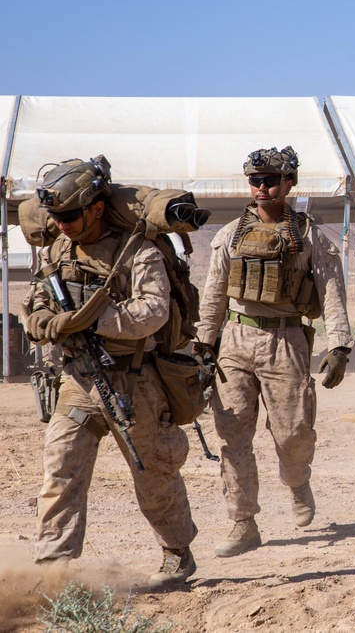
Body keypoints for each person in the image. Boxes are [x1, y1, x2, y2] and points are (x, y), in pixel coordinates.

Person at [22, 157, 197, 586]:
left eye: (70, 216)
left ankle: (177, 552)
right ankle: (53, 569)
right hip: (78, 381)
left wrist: (90, 321)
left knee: (153, 472)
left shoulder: (137, 250)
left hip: (134, 381)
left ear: (97, 208)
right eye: (55, 217)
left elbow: (154, 311)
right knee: (61, 470)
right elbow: (39, 296)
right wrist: (44, 320)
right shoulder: (59, 248)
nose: (61, 225)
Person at [194, 146, 352, 558]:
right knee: (233, 437)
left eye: (270, 180)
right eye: (255, 181)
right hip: (235, 341)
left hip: (286, 341)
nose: (262, 188)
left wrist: (339, 345)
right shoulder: (229, 235)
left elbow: (331, 291)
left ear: (289, 183)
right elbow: (212, 297)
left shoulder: (309, 236)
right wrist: (203, 348)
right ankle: (243, 522)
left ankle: (298, 481)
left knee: (294, 434)